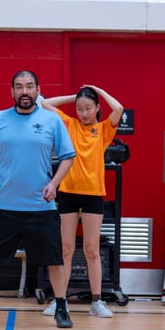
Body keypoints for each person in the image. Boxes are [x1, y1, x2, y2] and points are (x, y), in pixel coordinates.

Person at [0, 69, 76, 328]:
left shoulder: (52, 120)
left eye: (30, 86)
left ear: (37, 89)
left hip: (40, 206)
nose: (25, 91)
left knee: (54, 259)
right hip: (1, 205)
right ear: (12, 91)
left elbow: (68, 156)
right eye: (19, 87)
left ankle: (61, 307)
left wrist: (54, 183)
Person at [39, 85, 124, 318]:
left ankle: (97, 302)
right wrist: (73, 97)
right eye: (79, 108)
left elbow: (118, 108)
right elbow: (44, 103)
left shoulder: (104, 129)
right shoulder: (69, 125)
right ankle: (60, 301)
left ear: (97, 108)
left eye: (88, 108)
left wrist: (98, 90)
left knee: (91, 249)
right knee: (65, 249)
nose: (84, 113)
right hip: (67, 193)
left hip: (93, 196)